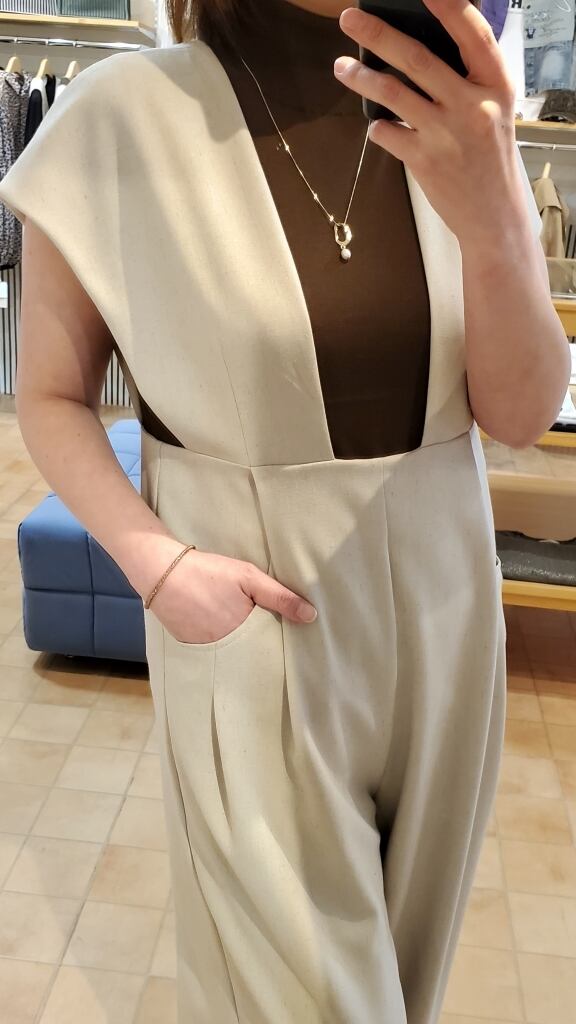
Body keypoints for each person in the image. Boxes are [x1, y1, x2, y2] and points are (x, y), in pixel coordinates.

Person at [0, 1, 570, 1021]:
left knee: (404, 989)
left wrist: (496, 218)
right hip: (255, 621)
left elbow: (521, 415)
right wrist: (158, 566)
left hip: (451, 621)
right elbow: (49, 393)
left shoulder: (451, 113)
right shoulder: (119, 117)